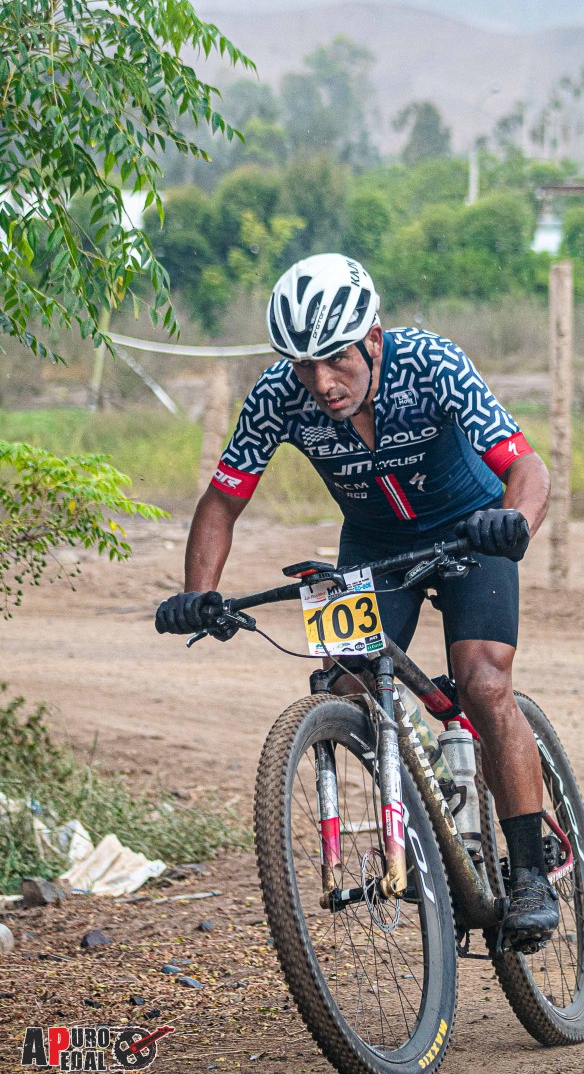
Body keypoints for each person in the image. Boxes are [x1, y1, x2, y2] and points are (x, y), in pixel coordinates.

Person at [155, 253, 558, 950]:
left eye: (336, 359)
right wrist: (199, 594)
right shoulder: (277, 397)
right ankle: (429, 796)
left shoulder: (430, 363)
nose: (321, 383)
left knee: (483, 680)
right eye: (303, 365)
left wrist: (514, 521)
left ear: (373, 337)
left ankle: (529, 872)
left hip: (471, 528)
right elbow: (222, 500)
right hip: (372, 543)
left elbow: (525, 465)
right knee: (345, 683)